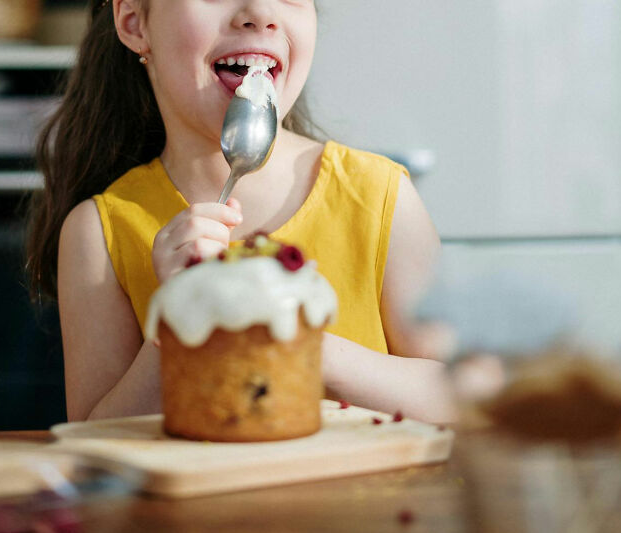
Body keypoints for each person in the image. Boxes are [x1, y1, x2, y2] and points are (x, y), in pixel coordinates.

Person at [25, 0, 456, 424]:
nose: (261, 12)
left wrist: (302, 346)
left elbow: (461, 397)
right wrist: (181, 318)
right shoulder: (98, 231)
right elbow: (94, 444)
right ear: (135, 22)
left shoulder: (379, 196)